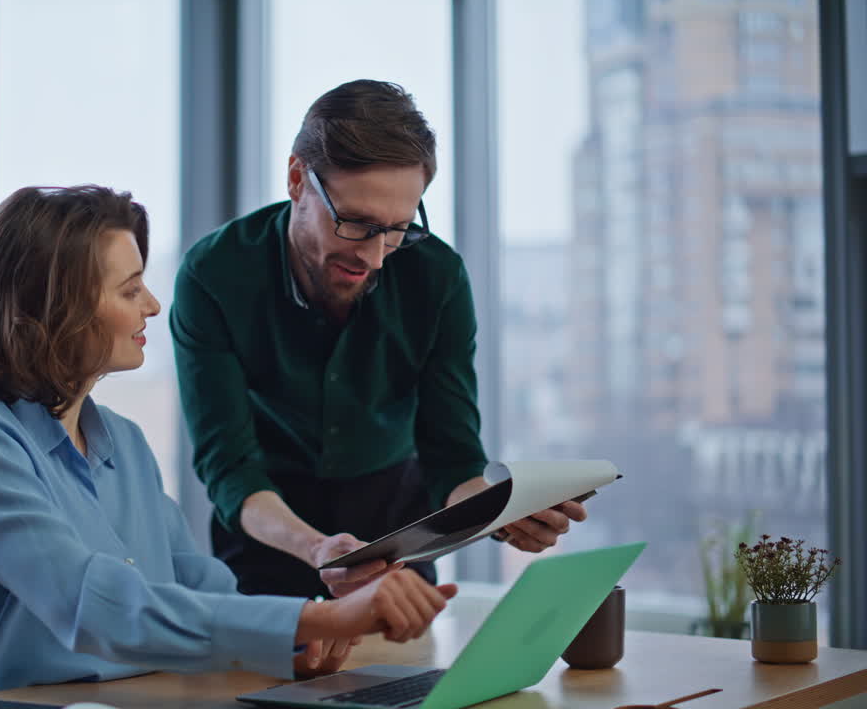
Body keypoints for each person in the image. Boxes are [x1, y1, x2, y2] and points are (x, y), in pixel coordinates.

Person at [0, 184, 459, 699]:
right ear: (52, 309)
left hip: (140, 698)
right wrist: (322, 619)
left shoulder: (123, 444)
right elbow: (94, 606)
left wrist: (300, 640)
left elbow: (203, 587)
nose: (152, 305)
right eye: (130, 290)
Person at [170, 80, 587, 601]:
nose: (374, 257)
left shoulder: (437, 276)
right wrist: (319, 549)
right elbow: (230, 469)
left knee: (406, 682)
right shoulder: (214, 275)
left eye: (397, 229)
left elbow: (452, 457)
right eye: (356, 224)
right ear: (298, 178)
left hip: (398, 535)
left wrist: (501, 513)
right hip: (270, 535)